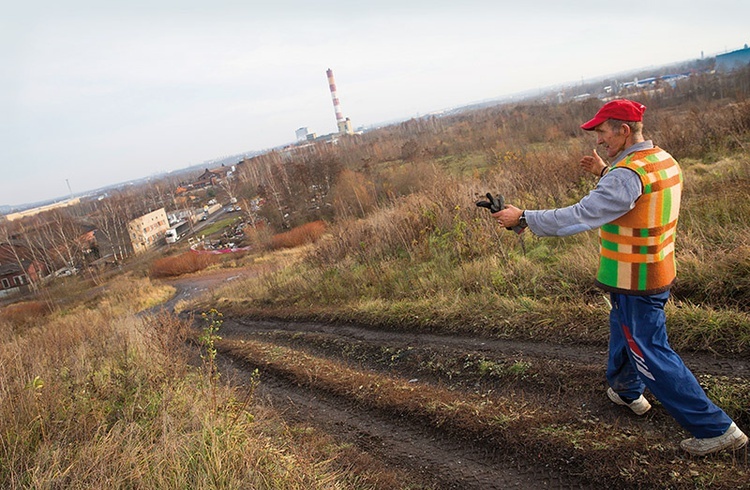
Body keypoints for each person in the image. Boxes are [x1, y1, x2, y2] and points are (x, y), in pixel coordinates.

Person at [492, 98, 747, 456]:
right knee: (623, 328)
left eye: (603, 132)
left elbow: (582, 215)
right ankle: (627, 391)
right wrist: (604, 172)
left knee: (649, 350)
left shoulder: (626, 174)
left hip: (636, 280)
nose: (599, 141)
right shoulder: (659, 159)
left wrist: (524, 217)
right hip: (656, 268)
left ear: (624, 131)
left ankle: (715, 429)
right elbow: (635, 196)